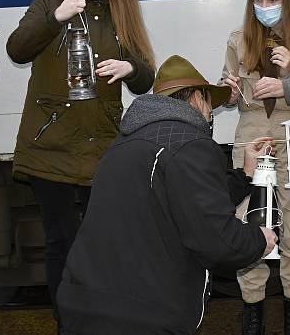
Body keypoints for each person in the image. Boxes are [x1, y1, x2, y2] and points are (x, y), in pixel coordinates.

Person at [56, 55, 278, 334]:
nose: (210, 116)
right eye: (210, 106)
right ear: (198, 99)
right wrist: (258, 240)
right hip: (141, 316)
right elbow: (217, 239)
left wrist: (245, 174)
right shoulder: (191, 143)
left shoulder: (124, 143)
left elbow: (186, 199)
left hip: (84, 302)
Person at [6, 0, 155, 322]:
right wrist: (56, 17)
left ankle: (101, 319)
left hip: (102, 143)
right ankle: (67, 321)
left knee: (103, 242)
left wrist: (130, 68)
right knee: (61, 241)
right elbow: (17, 48)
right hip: (49, 142)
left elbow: (147, 77)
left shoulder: (122, 8)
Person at [219, 0, 290, 335]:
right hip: (252, 137)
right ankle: (253, 310)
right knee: (248, 225)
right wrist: (228, 91)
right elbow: (229, 91)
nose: (264, 5)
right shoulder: (238, 40)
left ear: (289, 0)